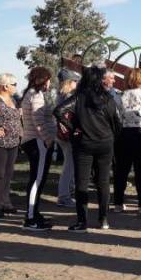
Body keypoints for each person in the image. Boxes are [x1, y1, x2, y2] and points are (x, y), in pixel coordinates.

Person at [54, 66, 121, 232]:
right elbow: (117, 122)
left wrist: (74, 128)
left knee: (82, 183)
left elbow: (59, 111)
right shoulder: (109, 98)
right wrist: (111, 137)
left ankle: (82, 222)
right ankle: (103, 219)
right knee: (103, 182)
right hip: (105, 143)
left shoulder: (79, 97)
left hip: (83, 143)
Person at [114, 68, 141, 216]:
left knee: (121, 169)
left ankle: (118, 203)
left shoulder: (118, 96)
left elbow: (115, 117)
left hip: (123, 134)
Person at [20, 67, 56, 231]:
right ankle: (31, 219)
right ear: (41, 80)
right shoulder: (36, 96)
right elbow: (38, 121)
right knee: (36, 180)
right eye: (48, 79)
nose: (49, 82)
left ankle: (34, 213)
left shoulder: (33, 94)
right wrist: (48, 140)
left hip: (35, 141)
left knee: (37, 179)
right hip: (37, 142)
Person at [0, 74, 21, 219]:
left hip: (13, 143)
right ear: (6, 86)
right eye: (14, 84)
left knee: (8, 175)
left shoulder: (13, 99)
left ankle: (5, 203)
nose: (16, 86)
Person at [55, 69, 81, 208]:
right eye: (75, 81)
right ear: (69, 82)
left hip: (61, 135)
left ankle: (67, 193)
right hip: (67, 135)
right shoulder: (68, 96)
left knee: (69, 165)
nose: (77, 83)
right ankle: (64, 196)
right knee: (69, 167)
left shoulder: (60, 94)